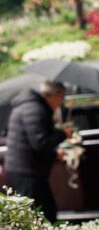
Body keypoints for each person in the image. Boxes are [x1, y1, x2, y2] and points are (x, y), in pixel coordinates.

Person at [4, 80, 71, 222]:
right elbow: (40, 143)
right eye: (62, 97)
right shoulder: (35, 109)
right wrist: (62, 134)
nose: (61, 102)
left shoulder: (32, 106)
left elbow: (34, 142)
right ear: (56, 95)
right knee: (40, 214)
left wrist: (54, 153)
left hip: (25, 168)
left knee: (41, 212)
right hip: (27, 170)